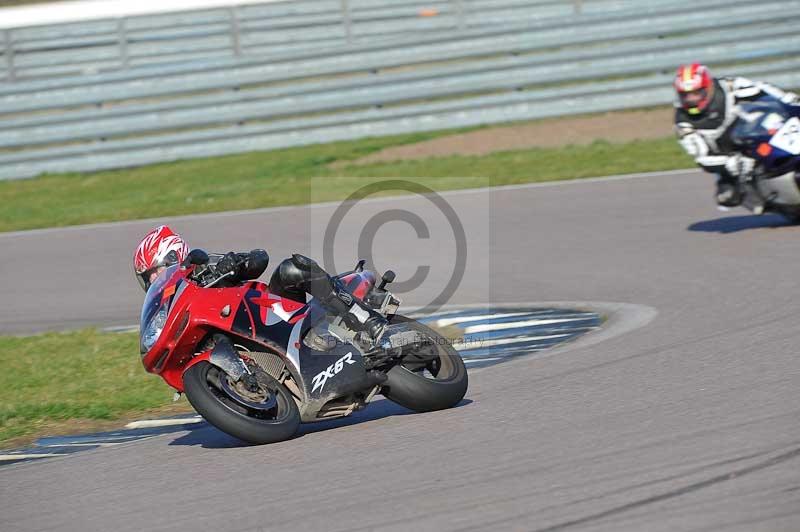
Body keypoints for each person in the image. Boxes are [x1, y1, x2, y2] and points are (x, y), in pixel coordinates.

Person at [133, 225, 386, 340]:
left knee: (291, 269)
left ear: (173, 256)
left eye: (154, 272)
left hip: (273, 317)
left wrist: (235, 263)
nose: (153, 280)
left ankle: (364, 318)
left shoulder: (206, 265)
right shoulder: (169, 311)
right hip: (250, 341)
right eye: (148, 278)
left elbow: (260, 258)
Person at [673, 63, 800, 209]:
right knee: (727, 196)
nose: (691, 99)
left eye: (696, 93)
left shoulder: (729, 86)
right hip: (729, 154)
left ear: (707, 88)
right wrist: (732, 162)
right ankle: (778, 205)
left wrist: (788, 100)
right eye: (685, 95)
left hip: (752, 132)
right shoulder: (683, 123)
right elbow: (702, 157)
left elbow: (762, 88)